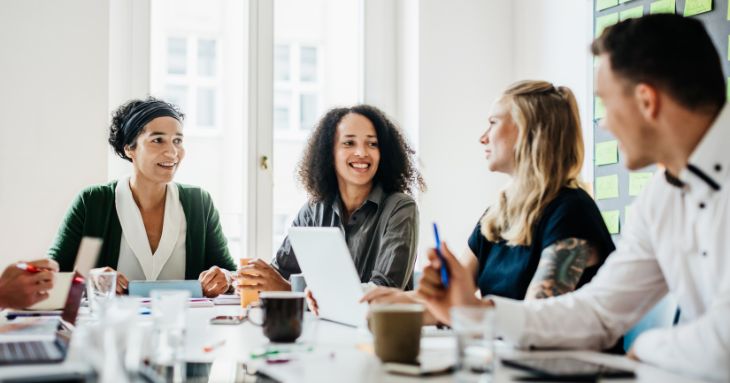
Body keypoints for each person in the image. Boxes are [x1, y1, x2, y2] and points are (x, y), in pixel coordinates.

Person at [418, 14, 729, 381]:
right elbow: (598, 312)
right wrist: (477, 312)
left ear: (647, 101)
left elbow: (723, 346)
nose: (605, 124)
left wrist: (646, 349)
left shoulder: (577, 207)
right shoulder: (661, 197)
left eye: (606, 104)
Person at [364, 81, 615, 325]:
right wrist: (390, 303)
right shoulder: (496, 216)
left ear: (527, 130)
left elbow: (535, 322)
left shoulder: (572, 211)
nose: (483, 138)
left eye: (493, 123)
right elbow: (450, 305)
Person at [48, 97, 235, 298]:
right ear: (129, 148)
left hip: (180, 325)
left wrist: (225, 277)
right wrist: (89, 280)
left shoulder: (199, 202)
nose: (172, 152)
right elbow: (51, 278)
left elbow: (229, 272)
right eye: (157, 140)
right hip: (115, 326)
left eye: (177, 141)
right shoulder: (93, 202)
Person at [238, 105, 424, 295]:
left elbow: (384, 291)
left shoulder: (400, 208)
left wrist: (289, 291)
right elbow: (279, 273)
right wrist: (238, 280)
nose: (362, 152)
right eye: (349, 143)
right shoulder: (313, 210)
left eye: (372, 144)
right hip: (322, 325)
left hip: (377, 325)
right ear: (329, 152)